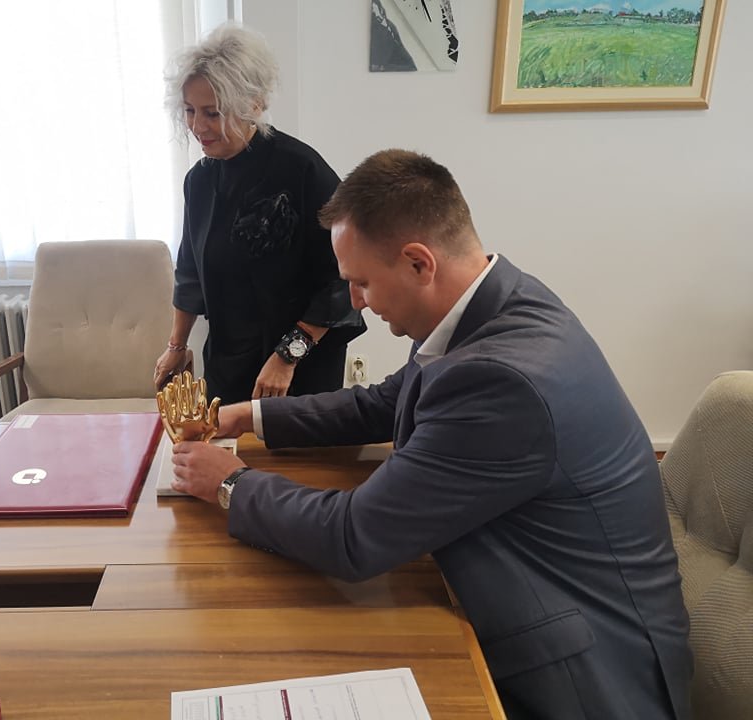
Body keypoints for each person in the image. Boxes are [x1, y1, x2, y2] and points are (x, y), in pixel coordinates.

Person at [169, 150, 693, 719]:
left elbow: (353, 537)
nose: (355, 302)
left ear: (419, 263)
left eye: (361, 282)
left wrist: (231, 483)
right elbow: (386, 403)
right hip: (526, 591)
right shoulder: (494, 302)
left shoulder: (502, 381)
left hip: (582, 678)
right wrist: (248, 416)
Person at [153, 24, 364, 404]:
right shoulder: (199, 181)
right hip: (229, 358)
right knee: (228, 439)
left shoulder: (303, 170)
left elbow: (342, 280)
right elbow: (190, 273)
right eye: (189, 110)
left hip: (303, 362)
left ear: (253, 105)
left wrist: (287, 356)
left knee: (297, 442)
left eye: (212, 113)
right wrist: (176, 346)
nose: (198, 126)